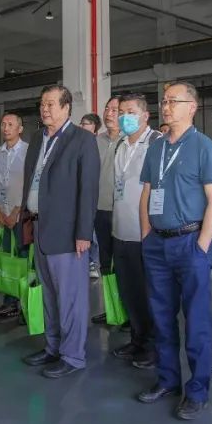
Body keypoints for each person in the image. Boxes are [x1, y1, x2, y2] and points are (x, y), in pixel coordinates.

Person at [135, 81, 212, 420]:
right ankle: (168, 380)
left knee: (197, 321)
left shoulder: (204, 148)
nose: (166, 106)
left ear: (192, 107)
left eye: (174, 101)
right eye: (164, 101)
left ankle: (197, 390)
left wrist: (202, 245)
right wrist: (146, 234)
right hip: (157, 243)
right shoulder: (156, 147)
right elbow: (146, 193)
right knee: (161, 317)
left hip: (190, 242)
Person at [20, 85, 101, 378]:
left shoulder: (82, 140)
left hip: (68, 234)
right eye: (42, 104)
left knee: (71, 299)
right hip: (39, 227)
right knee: (49, 296)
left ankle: (73, 355)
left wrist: (83, 233)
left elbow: (88, 190)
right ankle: (52, 347)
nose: (45, 109)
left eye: (51, 104)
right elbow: (32, 180)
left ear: (67, 108)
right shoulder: (37, 138)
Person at [109, 93, 163, 368]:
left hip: (145, 232)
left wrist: (151, 228)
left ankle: (154, 347)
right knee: (129, 291)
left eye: (130, 111)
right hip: (121, 230)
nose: (124, 117)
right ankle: (137, 339)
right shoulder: (120, 144)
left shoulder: (156, 142)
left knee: (149, 293)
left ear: (145, 115)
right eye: (121, 112)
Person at [0, 112, 28, 319]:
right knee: (7, 259)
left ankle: (26, 305)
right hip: (3, 215)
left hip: (21, 216)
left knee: (24, 259)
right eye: (3, 124)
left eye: (10, 124)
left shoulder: (28, 151)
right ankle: (9, 302)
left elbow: (28, 184)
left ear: (20, 129)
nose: (5, 128)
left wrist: (16, 211)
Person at [91, 96, 122, 287]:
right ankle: (108, 302)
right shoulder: (96, 141)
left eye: (114, 110)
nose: (109, 113)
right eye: (107, 108)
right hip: (99, 209)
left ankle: (123, 302)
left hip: (122, 211)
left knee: (122, 261)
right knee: (103, 259)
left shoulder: (129, 141)